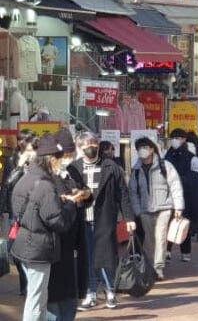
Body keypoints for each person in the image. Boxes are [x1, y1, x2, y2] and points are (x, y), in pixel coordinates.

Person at [11, 134, 78, 321]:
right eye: (58, 159)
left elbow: (20, 208)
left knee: (39, 298)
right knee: (36, 300)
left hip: (24, 244)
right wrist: (70, 204)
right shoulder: (46, 186)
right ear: (50, 159)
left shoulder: (26, 178)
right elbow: (58, 221)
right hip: (39, 249)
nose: (60, 162)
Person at [70, 133, 136, 311]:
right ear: (79, 148)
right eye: (86, 144)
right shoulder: (73, 168)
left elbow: (122, 194)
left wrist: (129, 218)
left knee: (105, 256)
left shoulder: (110, 167)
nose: (91, 147)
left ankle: (110, 291)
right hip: (82, 219)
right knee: (88, 258)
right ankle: (91, 293)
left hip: (104, 218)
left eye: (93, 143)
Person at [48, 128, 91, 321]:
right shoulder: (49, 175)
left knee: (71, 285)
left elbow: (83, 188)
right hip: (58, 236)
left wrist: (84, 193)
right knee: (55, 288)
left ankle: (68, 312)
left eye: (70, 154)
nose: (68, 158)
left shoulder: (72, 169)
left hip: (74, 234)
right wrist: (68, 198)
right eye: (65, 155)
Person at [129, 137, 184, 280]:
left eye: (145, 147)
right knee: (149, 240)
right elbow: (133, 192)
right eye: (140, 148)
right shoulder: (136, 170)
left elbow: (175, 186)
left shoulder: (165, 166)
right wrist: (137, 211)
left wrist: (178, 207)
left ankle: (158, 268)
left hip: (164, 208)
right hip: (145, 210)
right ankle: (150, 265)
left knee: (160, 237)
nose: (142, 150)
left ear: (152, 148)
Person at [0, 129, 37, 296]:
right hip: (16, 211)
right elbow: (6, 184)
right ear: (23, 144)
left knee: (32, 249)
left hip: (34, 210)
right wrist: (2, 209)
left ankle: (30, 284)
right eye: (30, 142)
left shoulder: (38, 160)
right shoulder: (12, 160)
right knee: (15, 251)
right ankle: (25, 281)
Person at [165, 129, 198, 261]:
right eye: (173, 138)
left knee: (183, 223)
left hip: (186, 195)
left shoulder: (191, 157)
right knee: (168, 223)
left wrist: (182, 179)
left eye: (178, 138)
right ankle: (167, 251)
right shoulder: (167, 155)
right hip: (168, 195)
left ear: (184, 140)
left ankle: (185, 252)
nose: (175, 141)